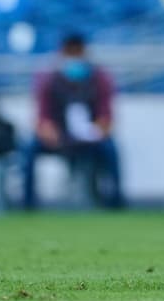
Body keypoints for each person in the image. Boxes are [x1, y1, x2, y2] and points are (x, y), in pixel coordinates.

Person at [22, 34, 122, 209]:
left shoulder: (100, 79)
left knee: (110, 148)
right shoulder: (49, 80)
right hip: (59, 135)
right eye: (70, 53)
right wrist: (48, 131)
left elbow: (106, 116)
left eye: (78, 52)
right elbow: (43, 117)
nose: (74, 58)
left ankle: (115, 201)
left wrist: (98, 130)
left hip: (91, 137)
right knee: (30, 148)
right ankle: (28, 203)